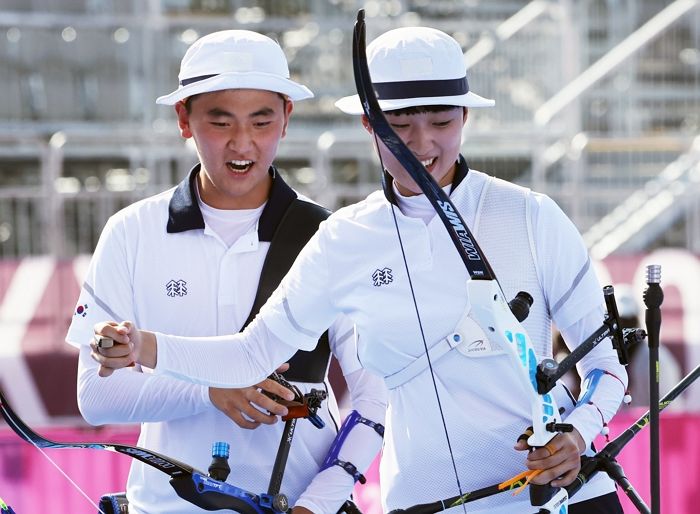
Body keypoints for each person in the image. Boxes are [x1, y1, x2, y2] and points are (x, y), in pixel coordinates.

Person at [92, 26, 629, 514]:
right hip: (423, 503)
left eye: (442, 122)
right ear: (371, 126)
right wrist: (145, 347)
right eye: (400, 126)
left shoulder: (531, 216)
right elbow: (251, 354)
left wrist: (578, 435)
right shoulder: (344, 237)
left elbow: (606, 366)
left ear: (466, 117)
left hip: (555, 499)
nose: (423, 145)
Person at [66, 30, 387, 514]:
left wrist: (317, 504)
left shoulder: (331, 236)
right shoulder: (130, 231)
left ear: (286, 118)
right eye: (221, 122)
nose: (243, 144)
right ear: (184, 119)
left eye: (262, 122)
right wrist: (210, 392)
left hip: (296, 504)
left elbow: (373, 394)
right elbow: (96, 395)